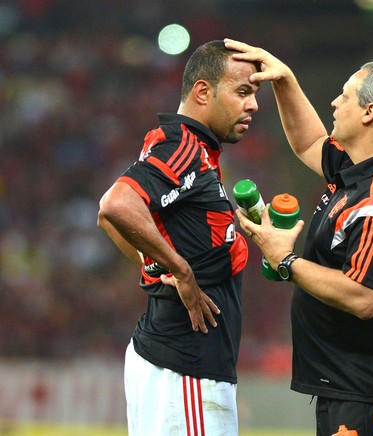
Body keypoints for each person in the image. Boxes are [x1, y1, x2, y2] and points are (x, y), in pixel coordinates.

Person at [225, 39, 373, 435]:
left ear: (371, 112)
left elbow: (364, 297)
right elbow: (308, 143)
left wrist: (286, 261)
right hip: (348, 388)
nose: (334, 103)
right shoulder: (360, 168)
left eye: (345, 96)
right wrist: (285, 80)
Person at [97, 40, 260, 435]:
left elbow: (113, 220)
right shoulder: (183, 146)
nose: (253, 105)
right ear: (203, 91)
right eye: (243, 92)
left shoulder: (196, 150)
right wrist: (180, 272)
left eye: (255, 94)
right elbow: (114, 206)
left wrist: (153, 261)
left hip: (184, 367)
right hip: (184, 368)